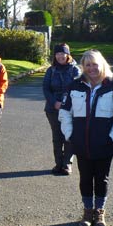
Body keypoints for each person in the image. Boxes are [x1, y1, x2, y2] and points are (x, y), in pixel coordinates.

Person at [59, 50, 113, 226]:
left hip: (104, 144)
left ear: (102, 64)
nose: (91, 68)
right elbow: (65, 112)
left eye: (94, 64)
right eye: (87, 65)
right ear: (83, 67)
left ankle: (99, 211)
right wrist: (69, 134)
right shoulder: (75, 86)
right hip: (81, 143)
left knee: (102, 179)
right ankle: (88, 211)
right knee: (85, 178)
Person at [42, 43, 81, 175]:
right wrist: (54, 102)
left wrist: (65, 103)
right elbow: (46, 88)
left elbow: (78, 87)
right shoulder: (50, 70)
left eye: (63, 53)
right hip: (52, 108)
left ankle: (67, 164)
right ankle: (58, 163)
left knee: (68, 135)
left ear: (68, 55)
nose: (60, 56)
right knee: (57, 136)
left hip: (70, 109)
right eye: (57, 54)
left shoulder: (75, 70)